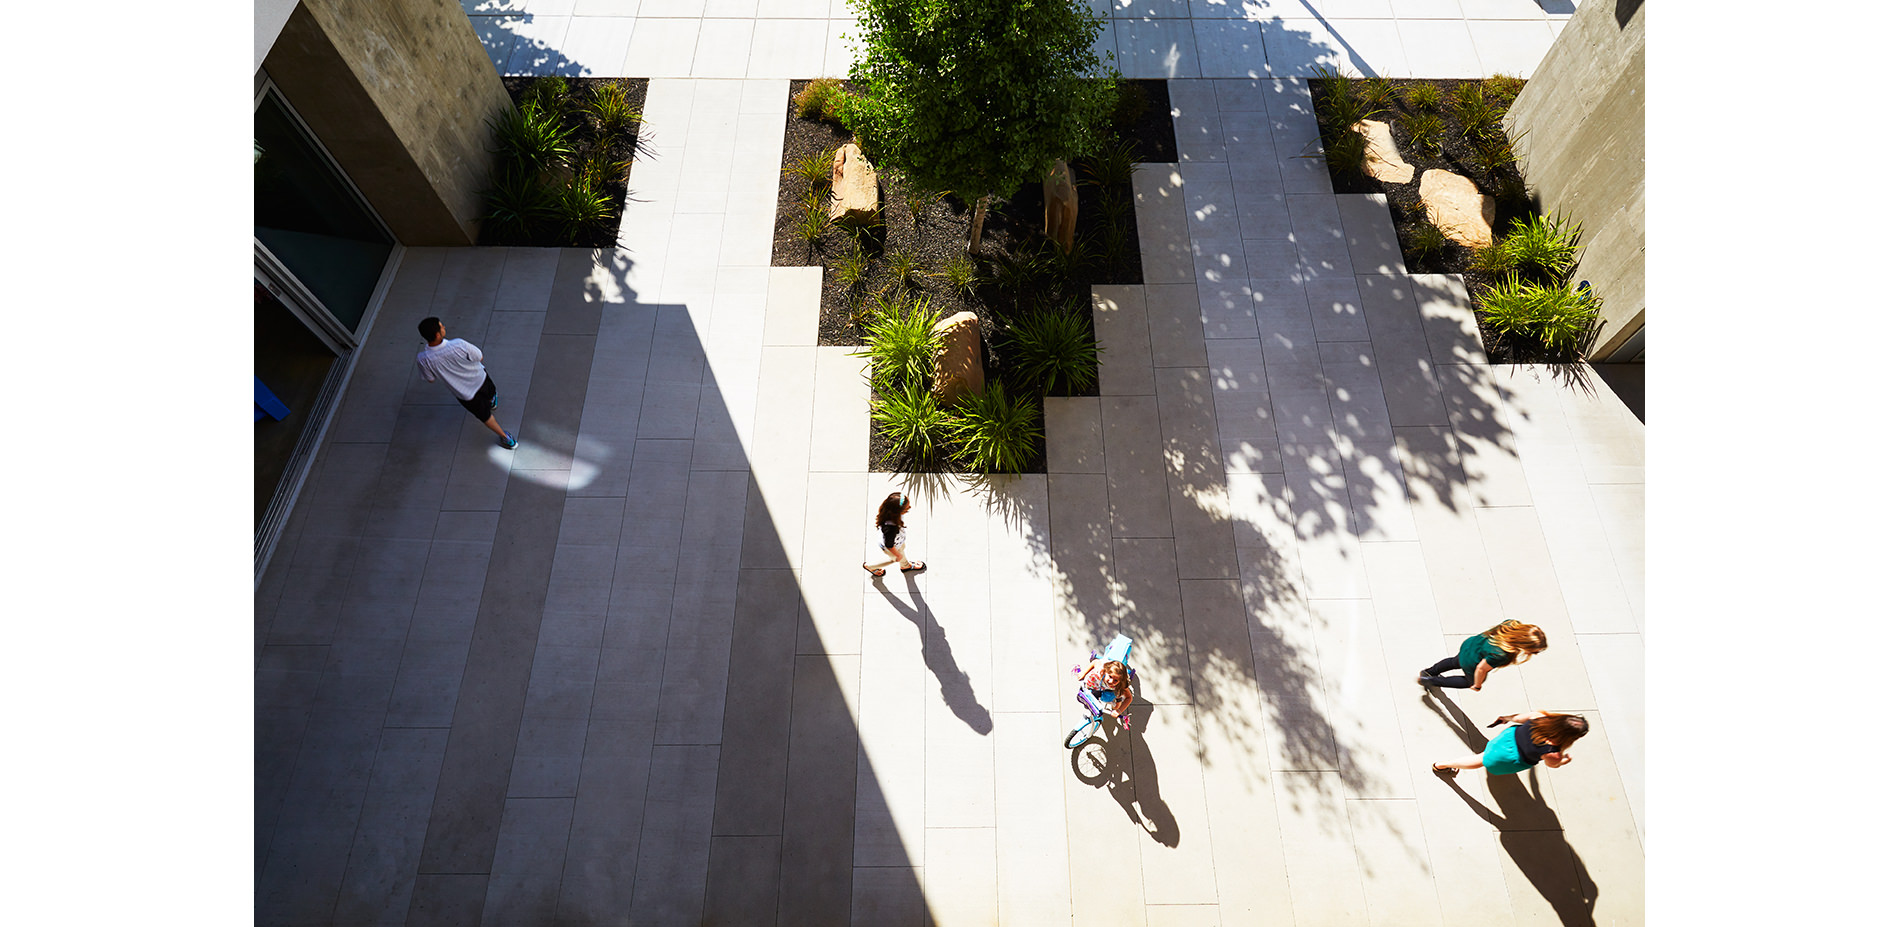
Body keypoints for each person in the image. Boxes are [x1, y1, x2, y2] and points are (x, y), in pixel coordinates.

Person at [415, 317, 517, 449]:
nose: (444, 327)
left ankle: (506, 438)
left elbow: (430, 379)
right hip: (480, 379)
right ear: (438, 334)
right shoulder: (458, 344)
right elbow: (479, 357)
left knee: (485, 416)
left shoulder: (423, 359)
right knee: (491, 391)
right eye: (442, 326)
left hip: (465, 394)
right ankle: (492, 401)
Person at [1433, 710, 1588, 776]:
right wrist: (1563, 761)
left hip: (1507, 738)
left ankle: (1442, 765)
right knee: (1481, 760)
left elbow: (1518, 718)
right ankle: (1442, 765)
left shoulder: (1541, 717)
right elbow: (1552, 764)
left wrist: (1506, 718)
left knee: (1484, 755)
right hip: (1509, 757)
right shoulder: (1553, 752)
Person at [1418, 619, 1547, 691]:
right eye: (1534, 651)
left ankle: (1429, 672)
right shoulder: (1502, 654)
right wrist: (1477, 685)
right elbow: (1481, 668)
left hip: (1471, 646)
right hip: (1472, 661)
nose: (1534, 653)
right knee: (1469, 681)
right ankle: (1431, 681)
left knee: (1454, 661)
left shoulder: (1511, 624)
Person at [862, 492, 925, 577]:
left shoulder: (890, 512)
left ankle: (905, 566)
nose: (909, 508)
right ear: (897, 511)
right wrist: (897, 555)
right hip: (892, 547)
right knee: (893, 559)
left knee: (901, 551)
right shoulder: (891, 528)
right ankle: (870, 566)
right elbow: (889, 545)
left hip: (897, 542)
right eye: (906, 509)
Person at [1078, 657, 1134, 722]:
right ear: (1105, 672)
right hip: (1098, 683)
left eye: (1115, 680)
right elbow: (1095, 662)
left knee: (1115, 706)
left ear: (1120, 681)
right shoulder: (1099, 671)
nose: (1111, 681)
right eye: (1110, 676)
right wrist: (1084, 673)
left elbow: (1129, 698)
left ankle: (1118, 700)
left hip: (1111, 689)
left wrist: (1118, 711)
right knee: (1089, 692)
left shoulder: (1121, 685)